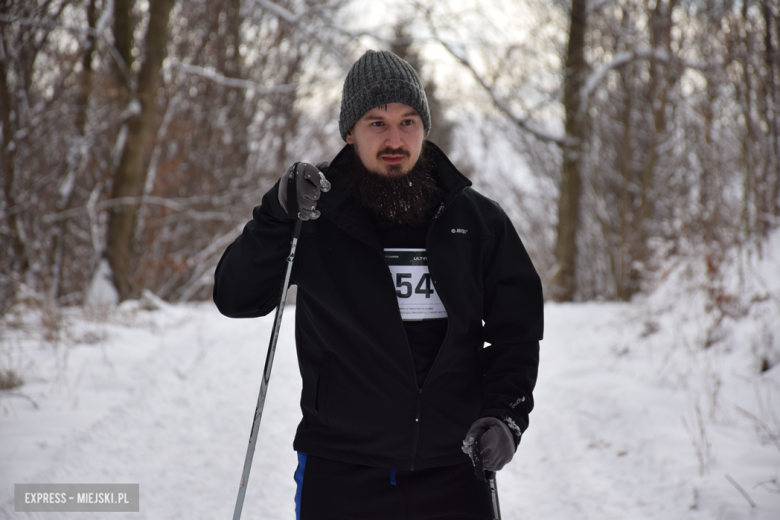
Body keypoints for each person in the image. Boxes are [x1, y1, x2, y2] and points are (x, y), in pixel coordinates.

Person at [213, 49, 543, 520]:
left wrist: (505, 418)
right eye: (377, 123)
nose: (395, 138)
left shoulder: (475, 221)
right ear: (350, 132)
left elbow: (517, 331)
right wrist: (276, 213)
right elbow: (236, 298)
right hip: (341, 468)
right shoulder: (314, 215)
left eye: (408, 122)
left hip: (454, 466)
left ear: (424, 129)